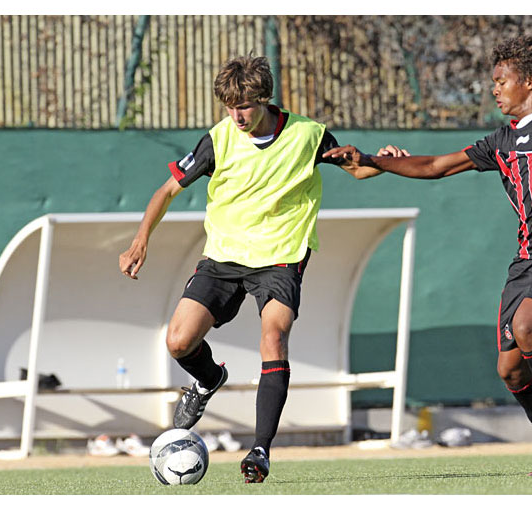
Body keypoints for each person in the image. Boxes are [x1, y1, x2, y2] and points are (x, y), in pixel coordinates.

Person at [323, 34, 532, 477]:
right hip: (527, 262)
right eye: (493, 82)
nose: (494, 89)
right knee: (511, 371)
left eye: (502, 81)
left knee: (528, 325)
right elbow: (436, 166)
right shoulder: (501, 142)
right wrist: (371, 159)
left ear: (530, 80)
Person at [118, 55, 393, 483]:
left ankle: (260, 450)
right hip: (224, 256)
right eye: (229, 107)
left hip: (282, 255)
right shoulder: (218, 139)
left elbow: (357, 169)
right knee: (178, 341)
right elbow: (168, 189)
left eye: (244, 105)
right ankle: (209, 379)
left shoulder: (308, 135)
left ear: (264, 99)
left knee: (274, 338)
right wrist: (140, 240)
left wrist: (385, 160)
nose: (237, 116)